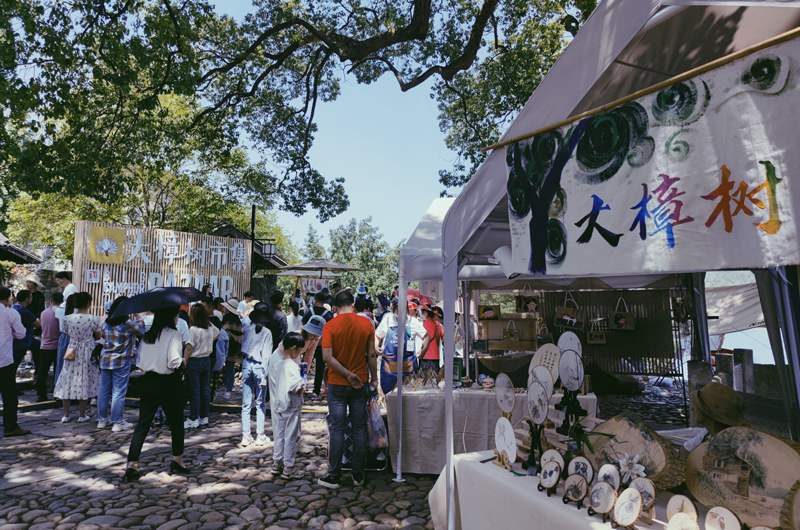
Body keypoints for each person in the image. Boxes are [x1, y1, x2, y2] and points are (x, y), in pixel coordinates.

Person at [318, 290, 378, 489]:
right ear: (353, 304)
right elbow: (371, 355)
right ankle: (358, 475)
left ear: (334, 307)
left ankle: (334, 475)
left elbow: (327, 357)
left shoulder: (329, 326)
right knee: (360, 428)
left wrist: (346, 374)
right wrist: (374, 378)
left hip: (337, 383)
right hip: (360, 383)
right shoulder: (366, 324)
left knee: (337, 429)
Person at [124, 306, 189, 482]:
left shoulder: (147, 335)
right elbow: (174, 361)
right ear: (172, 317)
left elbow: (141, 361)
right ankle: (177, 459)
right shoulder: (174, 335)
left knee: (143, 424)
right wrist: (183, 360)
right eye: (176, 315)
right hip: (168, 383)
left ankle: (132, 463)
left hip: (148, 381)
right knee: (176, 422)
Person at [97, 296, 144, 432]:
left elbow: (102, 336)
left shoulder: (106, 322)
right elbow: (141, 331)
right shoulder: (128, 323)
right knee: (118, 391)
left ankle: (102, 420)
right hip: (122, 359)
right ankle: (117, 421)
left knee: (104, 390)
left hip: (105, 358)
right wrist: (138, 316)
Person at [54, 292, 102, 423]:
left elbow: (68, 334)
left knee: (67, 377)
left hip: (72, 349)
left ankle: (66, 414)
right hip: (87, 350)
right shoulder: (93, 319)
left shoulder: (67, 318)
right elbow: (98, 336)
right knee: (84, 378)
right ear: (88, 303)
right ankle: (82, 414)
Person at [269, 331, 307, 479]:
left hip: (279, 403)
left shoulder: (279, 363)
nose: (301, 352)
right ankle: (288, 468)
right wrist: (303, 386)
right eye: (300, 349)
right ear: (293, 348)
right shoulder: (291, 365)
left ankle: (277, 462)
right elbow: (295, 384)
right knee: (292, 435)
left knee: (279, 434)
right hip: (291, 405)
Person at [680, 381, 749, 460]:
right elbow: (684, 450)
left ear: (708, 412)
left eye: (698, 405)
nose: (694, 408)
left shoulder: (735, 442)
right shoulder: (707, 433)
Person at [240, 307, 273, 446]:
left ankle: (246, 436)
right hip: (260, 367)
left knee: (246, 403)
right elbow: (266, 356)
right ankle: (260, 435)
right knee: (260, 404)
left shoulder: (247, 329)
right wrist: (264, 376)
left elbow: (243, 348)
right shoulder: (267, 333)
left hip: (247, 364)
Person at [183, 304, 220, 429]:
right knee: (205, 390)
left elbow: (189, 347)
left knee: (195, 391)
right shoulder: (209, 326)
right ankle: (204, 417)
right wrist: (207, 342)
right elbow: (218, 333)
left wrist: (184, 359)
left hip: (194, 361)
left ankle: (193, 418)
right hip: (206, 360)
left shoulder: (193, 330)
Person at [0, 287, 30, 437]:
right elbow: (20, 334)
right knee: (9, 395)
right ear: (7, 298)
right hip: (3, 359)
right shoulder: (10, 313)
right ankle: (10, 426)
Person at [302, 293, 334, 399]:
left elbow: (303, 326)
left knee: (303, 364)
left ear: (315, 300)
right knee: (320, 368)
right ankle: (316, 390)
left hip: (308, 342)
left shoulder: (309, 312)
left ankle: (301, 386)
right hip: (322, 344)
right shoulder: (328, 314)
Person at [36, 293, 63, 401]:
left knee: (43, 371)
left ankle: (41, 394)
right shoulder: (60, 313)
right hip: (57, 346)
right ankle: (58, 394)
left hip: (44, 345)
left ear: (51, 300)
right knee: (58, 371)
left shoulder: (43, 313)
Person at [54, 271, 78, 384]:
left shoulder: (70, 288)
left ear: (64, 278)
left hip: (68, 333)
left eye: (59, 280)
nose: (58, 283)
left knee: (65, 362)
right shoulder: (69, 288)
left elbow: (68, 304)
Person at [212, 312, 242, 400]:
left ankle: (213, 391)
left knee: (215, 370)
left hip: (224, 347)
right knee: (230, 369)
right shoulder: (238, 321)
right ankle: (228, 390)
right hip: (235, 348)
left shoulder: (226, 319)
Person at [12, 290, 41, 371]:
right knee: (15, 363)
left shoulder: (13, 308)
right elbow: (38, 324)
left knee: (37, 345)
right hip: (23, 340)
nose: (32, 298)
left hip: (17, 338)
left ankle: (38, 369)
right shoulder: (24, 312)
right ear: (26, 299)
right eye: (30, 297)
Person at [419, 305, 444, 373]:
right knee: (434, 381)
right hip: (436, 358)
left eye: (421, 312)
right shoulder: (438, 325)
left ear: (425, 313)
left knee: (424, 381)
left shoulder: (422, 325)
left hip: (424, 357)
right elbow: (444, 340)